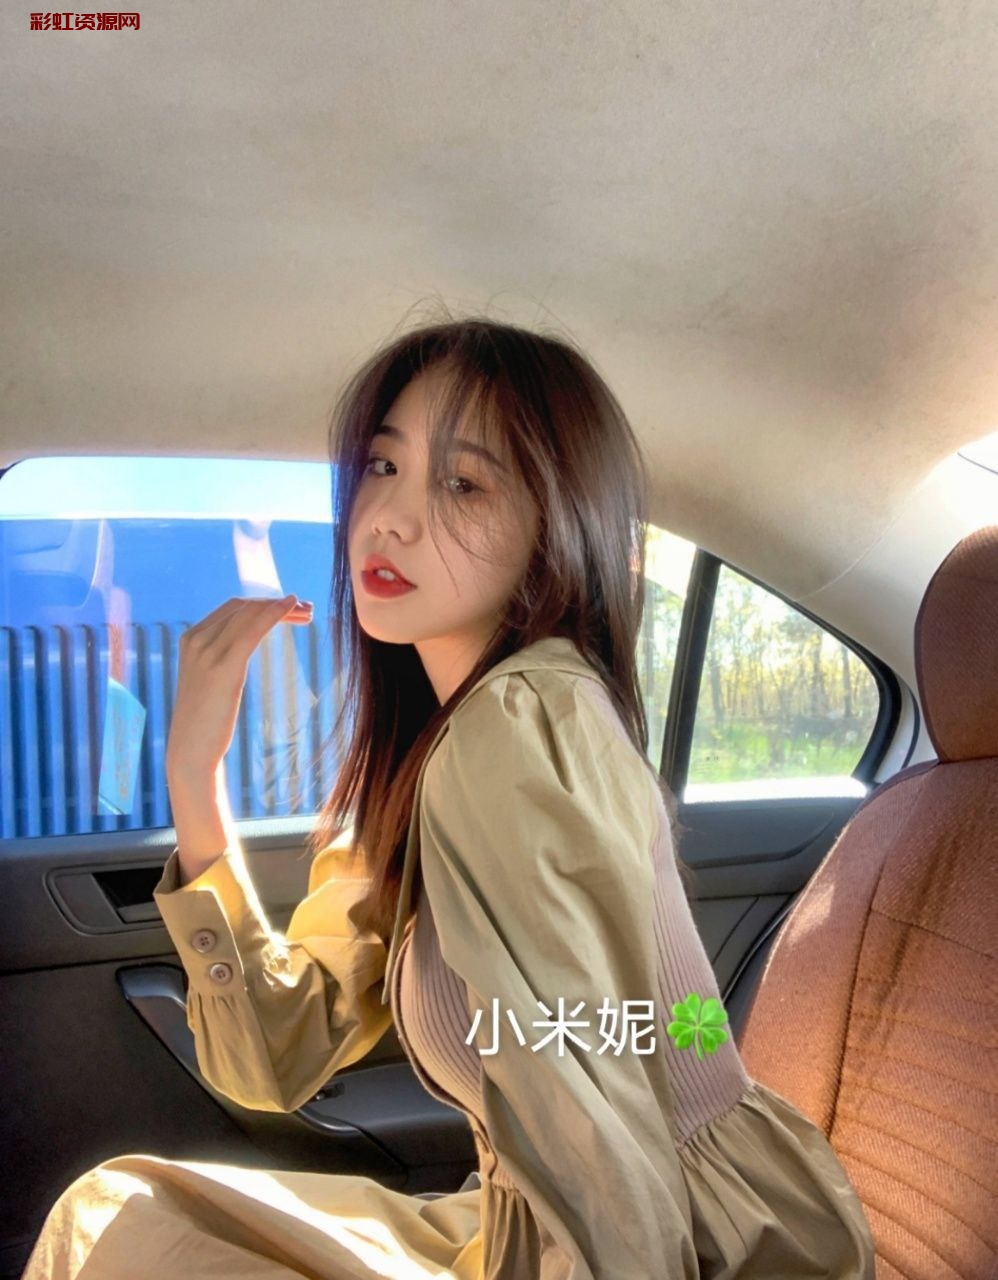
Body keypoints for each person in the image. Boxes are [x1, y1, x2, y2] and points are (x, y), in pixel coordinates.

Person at [22, 312, 877, 1279]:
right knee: (120, 1215)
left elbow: (599, 1131)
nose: (388, 516)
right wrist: (195, 774)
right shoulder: (439, 753)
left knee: (125, 1241)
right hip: (532, 1220)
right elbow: (272, 1057)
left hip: (698, 1244)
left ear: (555, 527)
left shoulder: (517, 723)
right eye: (382, 466)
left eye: (463, 483)